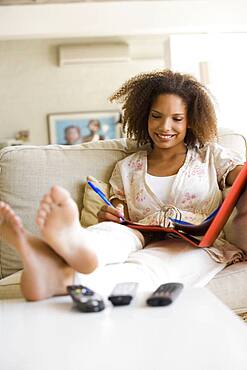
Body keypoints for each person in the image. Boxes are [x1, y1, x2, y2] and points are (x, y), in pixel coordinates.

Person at [0, 70, 246, 301]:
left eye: (177, 119)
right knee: (111, 234)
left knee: (149, 268)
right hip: (137, 234)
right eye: (156, 116)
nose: (164, 127)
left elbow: (240, 175)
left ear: (190, 121)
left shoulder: (211, 156)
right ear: (144, 116)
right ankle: (73, 244)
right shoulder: (128, 167)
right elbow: (119, 211)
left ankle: (57, 276)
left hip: (194, 244)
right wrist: (111, 214)